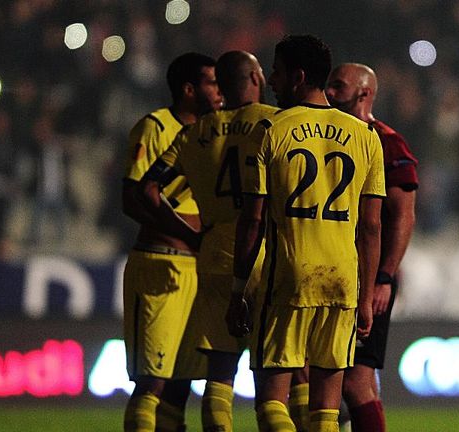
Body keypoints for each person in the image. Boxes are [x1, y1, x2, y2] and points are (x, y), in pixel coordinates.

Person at [227, 34, 386, 432]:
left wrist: (238, 289)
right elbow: (370, 226)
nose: (272, 82)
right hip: (343, 281)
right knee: (325, 415)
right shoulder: (366, 137)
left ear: (297, 77)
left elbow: (253, 219)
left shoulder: (270, 130)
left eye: (277, 73)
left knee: (270, 405)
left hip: (288, 279)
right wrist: (365, 297)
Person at [142, 50, 278, 432]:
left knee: (220, 374)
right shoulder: (275, 122)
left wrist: (187, 231)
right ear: (255, 78)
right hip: (268, 251)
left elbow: (149, 187)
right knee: (282, 378)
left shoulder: (194, 133)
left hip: (217, 250)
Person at [121, 52, 222, 432]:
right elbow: (131, 198)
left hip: (200, 270)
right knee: (152, 383)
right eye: (212, 83)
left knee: (181, 386)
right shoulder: (155, 127)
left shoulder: (215, 132)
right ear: (188, 89)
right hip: (160, 264)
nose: (220, 90)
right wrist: (188, 232)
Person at [326, 63, 418, 432]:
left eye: (338, 86)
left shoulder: (387, 141)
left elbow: (402, 217)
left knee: (354, 380)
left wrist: (383, 277)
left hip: (365, 278)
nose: (329, 92)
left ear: (364, 93)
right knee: (333, 379)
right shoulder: (327, 135)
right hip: (328, 268)